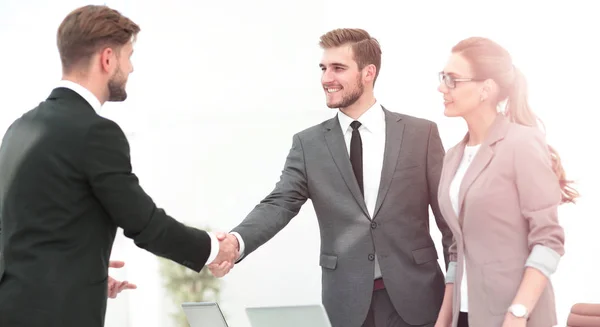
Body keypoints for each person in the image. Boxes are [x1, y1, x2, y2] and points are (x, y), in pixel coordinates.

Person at [0, 5, 237, 327]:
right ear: (107, 58)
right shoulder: (95, 131)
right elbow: (143, 222)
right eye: (129, 56)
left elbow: (23, 226)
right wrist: (211, 247)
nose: (131, 68)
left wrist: (80, 271)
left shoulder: (20, 127)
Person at [209, 28, 454, 327]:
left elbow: (449, 222)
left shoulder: (420, 135)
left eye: (338, 68)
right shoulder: (308, 144)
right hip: (347, 304)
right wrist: (236, 242)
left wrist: (458, 295)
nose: (327, 78)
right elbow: (279, 204)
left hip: (419, 299)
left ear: (368, 72)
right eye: (324, 68)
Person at [434, 37, 577, 327]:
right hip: (463, 315)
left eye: (452, 80)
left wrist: (518, 313)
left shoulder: (521, 144)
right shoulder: (453, 157)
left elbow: (549, 241)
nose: (442, 87)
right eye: (443, 77)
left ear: (486, 88)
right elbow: (456, 249)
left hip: (511, 318)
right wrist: (443, 319)